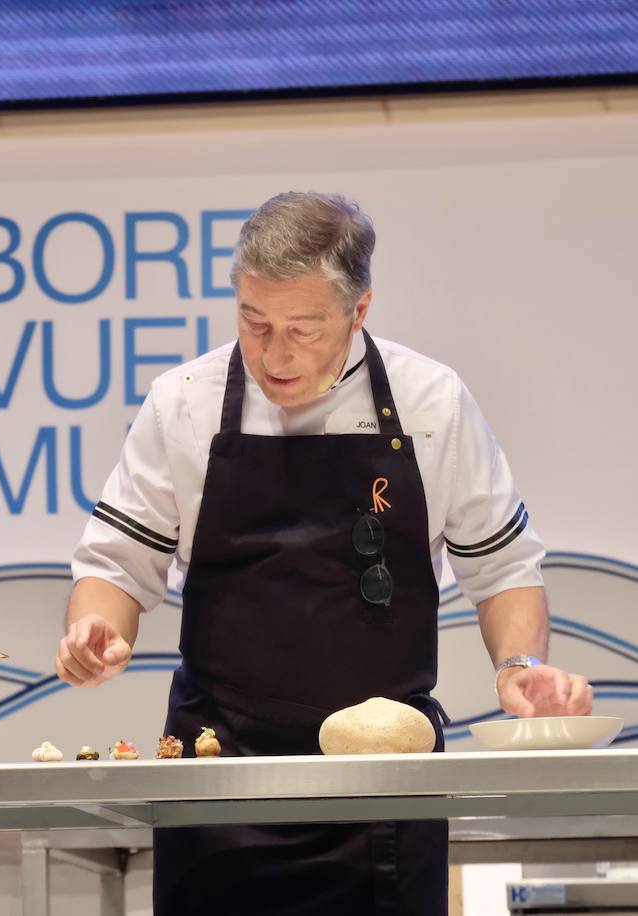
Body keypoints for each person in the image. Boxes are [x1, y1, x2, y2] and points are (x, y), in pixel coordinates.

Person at [58, 191, 593, 915]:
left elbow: (502, 572)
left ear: (359, 310)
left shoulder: (431, 403)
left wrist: (520, 667)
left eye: (302, 330)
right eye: (253, 321)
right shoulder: (182, 402)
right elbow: (117, 564)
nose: (274, 354)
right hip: (219, 779)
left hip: (387, 787)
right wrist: (99, 629)